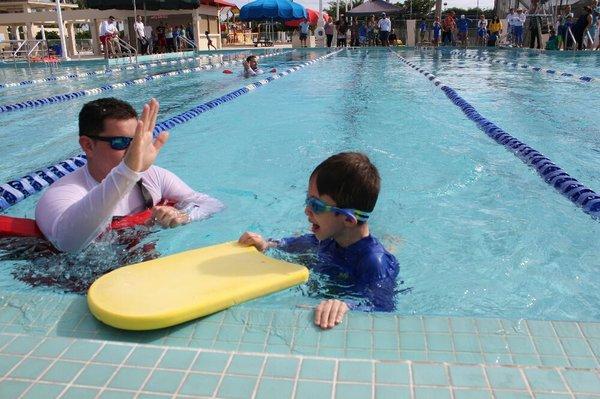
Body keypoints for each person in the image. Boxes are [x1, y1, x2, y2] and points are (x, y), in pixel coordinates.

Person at [35, 98, 223, 253]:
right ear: (88, 146)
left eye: (137, 141)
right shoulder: (62, 193)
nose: (135, 150)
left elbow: (214, 204)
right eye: (121, 142)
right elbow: (69, 243)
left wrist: (184, 215)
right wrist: (129, 170)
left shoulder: (153, 177)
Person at [238, 153, 400, 330]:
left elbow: (384, 307)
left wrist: (348, 305)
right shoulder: (328, 239)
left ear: (348, 219)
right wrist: (268, 244)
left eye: (316, 205)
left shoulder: (374, 262)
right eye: (307, 200)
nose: (307, 210)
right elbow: (298, 244)